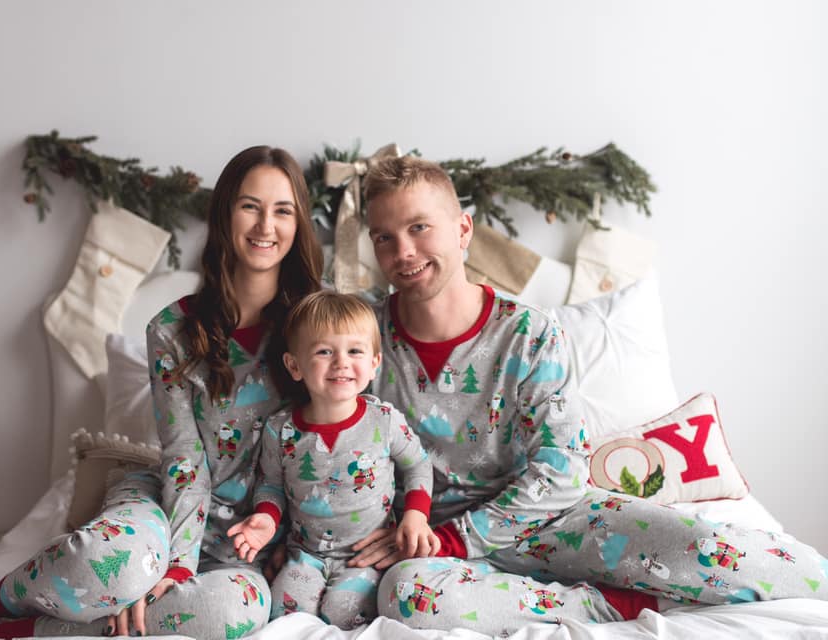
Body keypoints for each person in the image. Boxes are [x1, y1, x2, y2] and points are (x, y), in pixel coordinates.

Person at [345, 156, 828, 636]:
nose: (403, 251)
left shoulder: (529, 332)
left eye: (419, 227)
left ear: (463, 230)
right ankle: (610, 604)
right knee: (407, 595)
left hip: (554, 519)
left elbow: (561, 469)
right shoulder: (360, 336)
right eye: (383, 237)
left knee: (717, 550)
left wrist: (458, 538)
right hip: (431, 545)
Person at [0, 146, 322, 640]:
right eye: (249, 206)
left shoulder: (319, 332)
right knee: (105, 564)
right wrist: (174, 566)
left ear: (300, 222)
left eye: (283, 210)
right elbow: (184, 459)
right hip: (168, 500)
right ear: (224, 215)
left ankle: (3, 634)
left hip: (249, 541)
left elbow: (339, 445)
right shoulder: (174, 329)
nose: (266, 225)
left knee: (232, 614)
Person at [226, 290, 438, 629]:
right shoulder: (280, 429)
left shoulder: (383, 419)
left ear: (373, 363)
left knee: (343, 614)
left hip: (365, 558)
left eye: (354, 351)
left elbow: (417, 465)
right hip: (304, 555)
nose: (341, 362)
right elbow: (271, 486)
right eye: (325, 351)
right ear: (295, 365)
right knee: (286, 615)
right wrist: (265, 519)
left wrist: (415, 516)